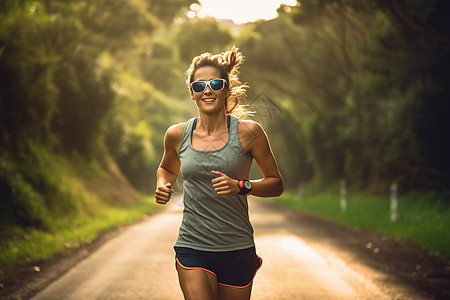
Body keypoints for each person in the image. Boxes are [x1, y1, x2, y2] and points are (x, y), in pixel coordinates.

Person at [155, 46, 284, 300]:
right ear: (192, 94)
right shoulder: (176, 135)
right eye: (199, 86)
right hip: (193, 245)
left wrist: (242, 186)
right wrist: (163, 184)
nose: (208, 90)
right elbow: (167, 168)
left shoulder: (250, 133)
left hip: (237, 248)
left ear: (226, 89)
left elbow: (276, 184)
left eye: (215, 83)